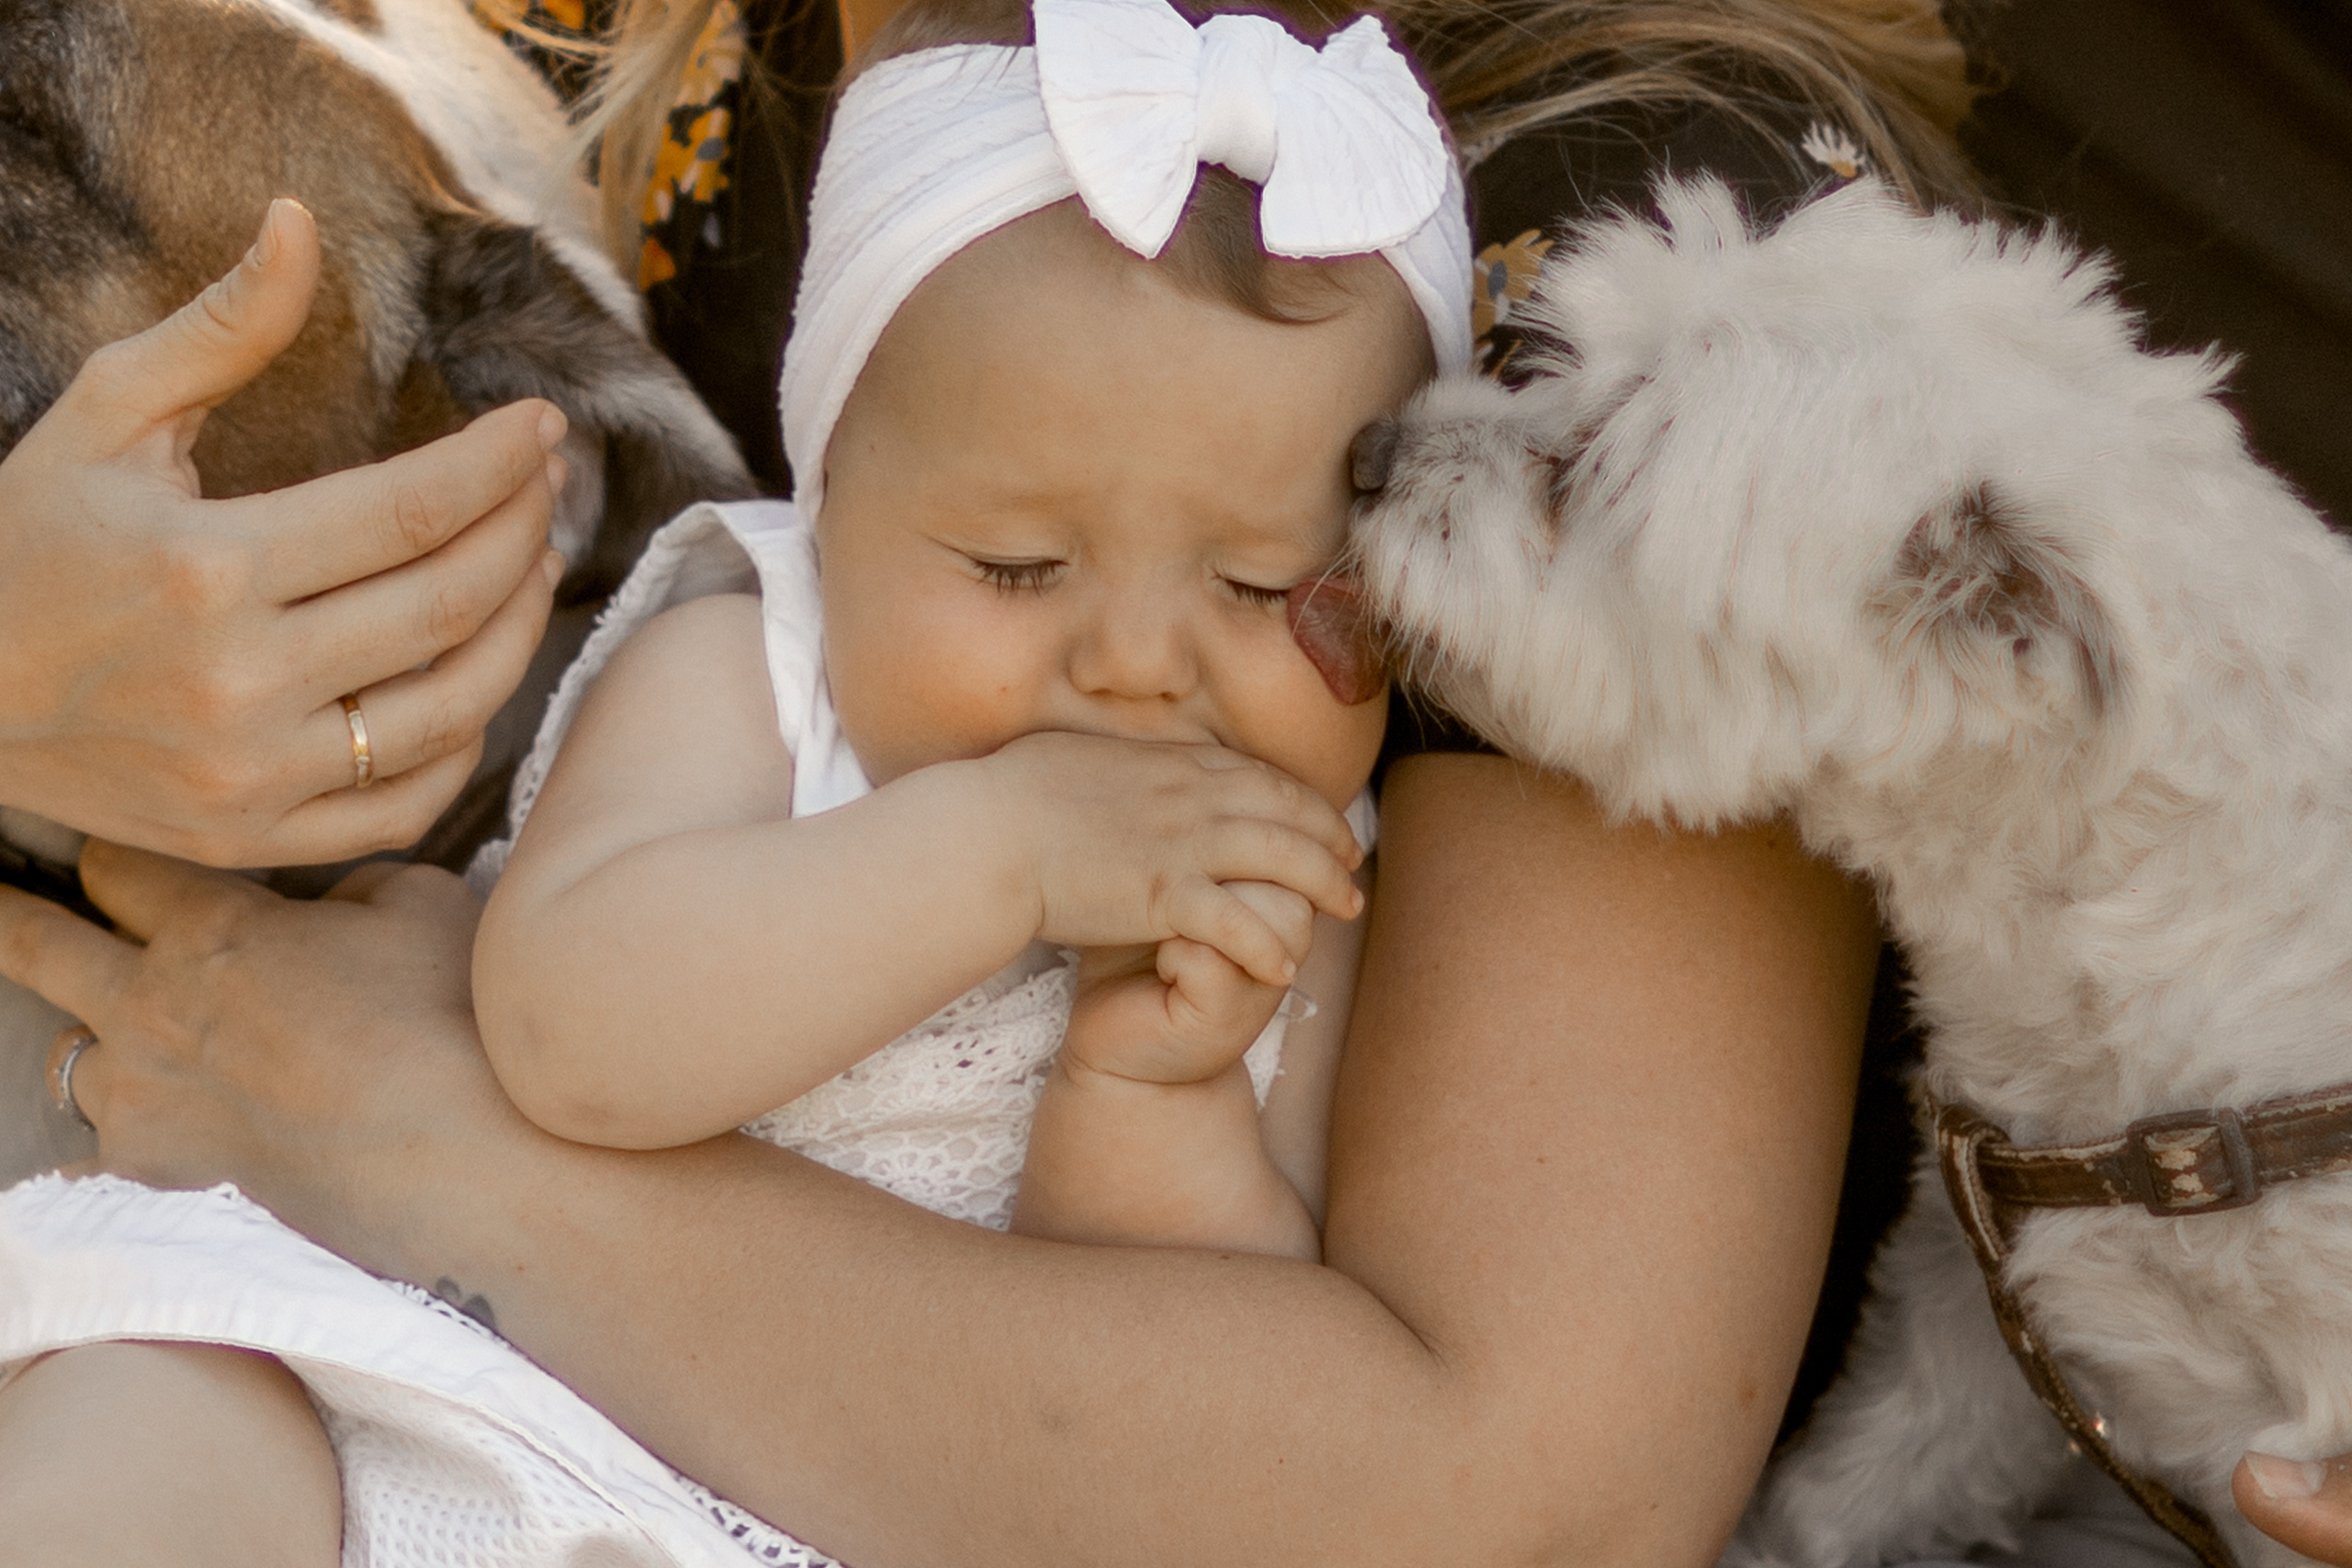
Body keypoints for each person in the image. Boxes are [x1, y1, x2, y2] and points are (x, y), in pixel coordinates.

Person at [0, 1, 2065, 1565]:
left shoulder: (1637, 270)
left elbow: (1494, 1487)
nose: (1134, 660)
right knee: (140, 1422)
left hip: (814, 1462)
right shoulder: (780, 109)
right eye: (1007, 562)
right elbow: (593, 984)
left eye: (1268, 580)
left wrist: (420, 1145)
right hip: (408, 1347)